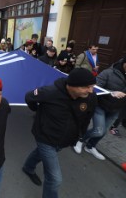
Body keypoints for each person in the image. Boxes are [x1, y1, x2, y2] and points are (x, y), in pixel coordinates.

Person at [22, 68, 97, 198]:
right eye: (86, 87)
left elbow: (87, 117)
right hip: (45, 137)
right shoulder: (50, 92)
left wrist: (80, 134)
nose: (90, 91)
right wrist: (38, 112)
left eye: (92, 87)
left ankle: (28, 168)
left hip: (64, 140)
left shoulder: (90, 97)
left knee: (39, 153)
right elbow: (29, 97)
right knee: (55, 178)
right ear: (72, 85)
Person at [73, 56, 126, 160]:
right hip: (100, 106)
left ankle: (90, 147)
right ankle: (80, 140)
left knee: (104, 131)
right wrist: (112, 93)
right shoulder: (109, 72)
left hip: (116, 109)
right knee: (99, 130)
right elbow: (95, 88)